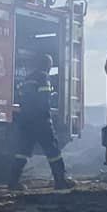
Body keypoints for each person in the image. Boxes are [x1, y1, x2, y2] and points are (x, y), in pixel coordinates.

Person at [9, 54, 72, 191]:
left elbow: (22, 98)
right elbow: (44, 101)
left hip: (25, 121)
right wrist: (48, 118)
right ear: (47, 65)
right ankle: (60, 181)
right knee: (53, 151)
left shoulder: (27, 79)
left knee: (22, 152)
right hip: (40, 121)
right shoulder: (43, 78)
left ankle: (13, 182)